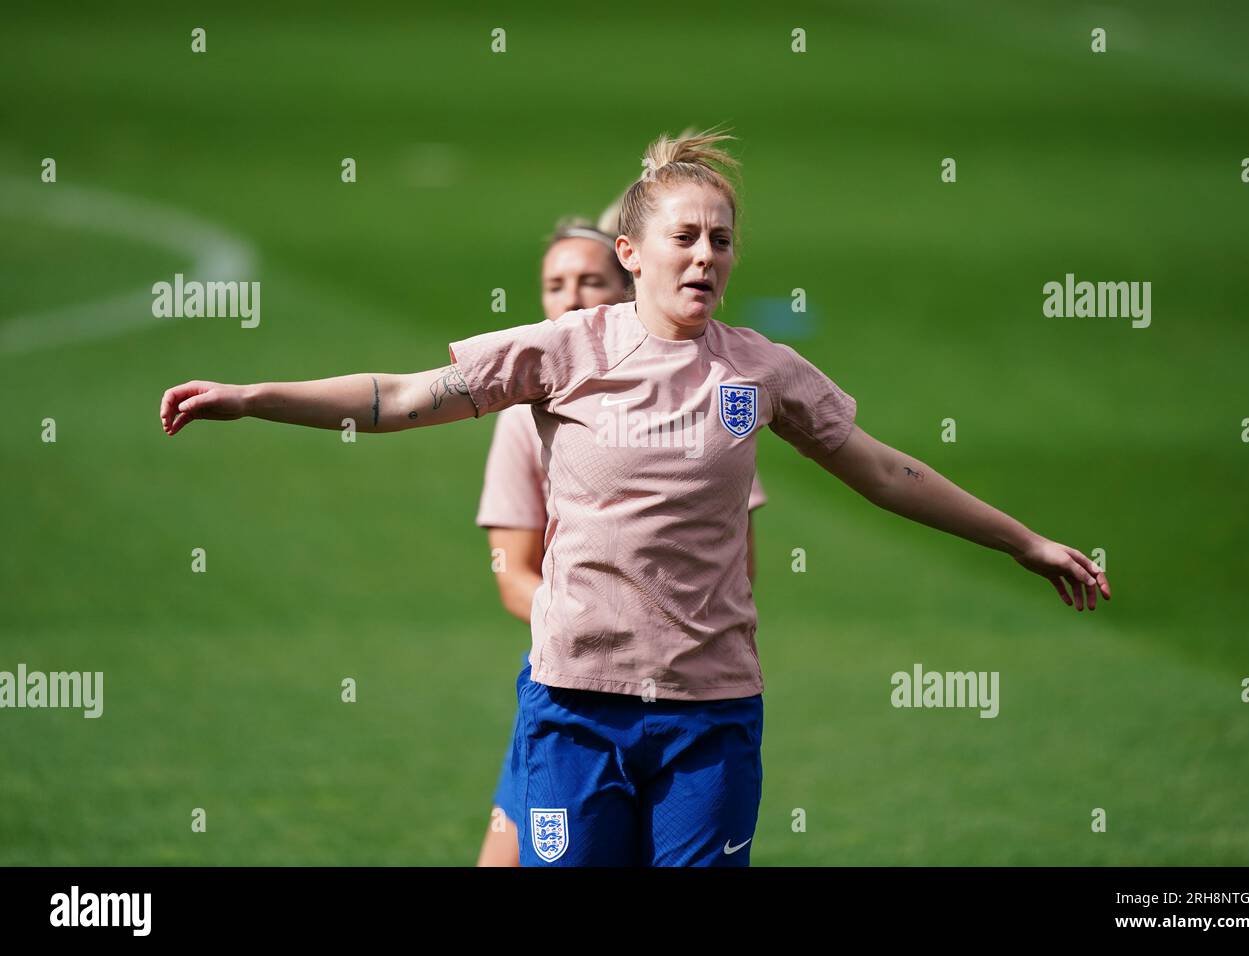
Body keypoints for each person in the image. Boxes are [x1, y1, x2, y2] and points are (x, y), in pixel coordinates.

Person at [159, 128, 1110, 867]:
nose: (705, 257)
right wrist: (252, 399)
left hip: (710, 713)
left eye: (722, 241)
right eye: (685, 238)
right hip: (576, 704)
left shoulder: (760, 373)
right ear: (634, 250)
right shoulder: (562, 352)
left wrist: (1021, 541)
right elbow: (400, 398)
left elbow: (883, 470)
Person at [474, 214, 768, 865]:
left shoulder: (712, 398)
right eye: (555, 285)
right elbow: (511, 574)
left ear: (629, 281)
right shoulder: (529, 411)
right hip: (573, 680)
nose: (571, 298)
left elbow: (740, 566)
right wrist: (602, 617)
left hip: (688, 691)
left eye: (588, 281)